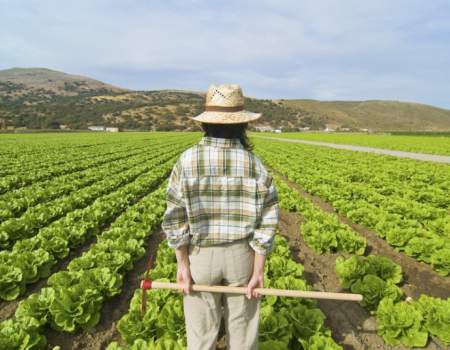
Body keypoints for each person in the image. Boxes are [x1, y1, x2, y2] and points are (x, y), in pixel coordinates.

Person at [162, 84, 279, 350]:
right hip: (242, 257)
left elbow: (175, 218)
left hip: (200, 256)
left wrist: (182, 263)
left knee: (201, 337)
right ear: (242, 125)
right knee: (243, 334)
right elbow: (269, 219)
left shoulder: (187, 161)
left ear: (205, 124)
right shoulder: (254, 164)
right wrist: (258, 269)